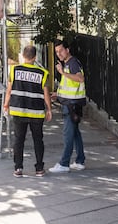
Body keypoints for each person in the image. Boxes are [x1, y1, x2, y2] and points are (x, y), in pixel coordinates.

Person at [3, 45, 52, 177]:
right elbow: (46, 94)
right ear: (35, 57)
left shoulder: (14, 70)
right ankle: (39, 168)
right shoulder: (43, 73)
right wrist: (49, 109)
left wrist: (6, 105)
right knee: (38, 140)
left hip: (19, 111)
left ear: (23, 56)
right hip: (36, 112)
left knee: (19, 140)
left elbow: (9, 90)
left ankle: (18, 168)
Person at [49, 39, 86, 173]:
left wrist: (63, 73)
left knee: (68, 134)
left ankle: (64, 164)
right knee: (75, 134)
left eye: (61, 51)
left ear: (67, 50)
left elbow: (80, 78)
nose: (59, 54)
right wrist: (57, 94)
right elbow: (69, 86)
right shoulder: (68, 64)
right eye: (57, 52)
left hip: (72, 106)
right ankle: (80, 161)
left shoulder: (72, 63)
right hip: (71, 104)